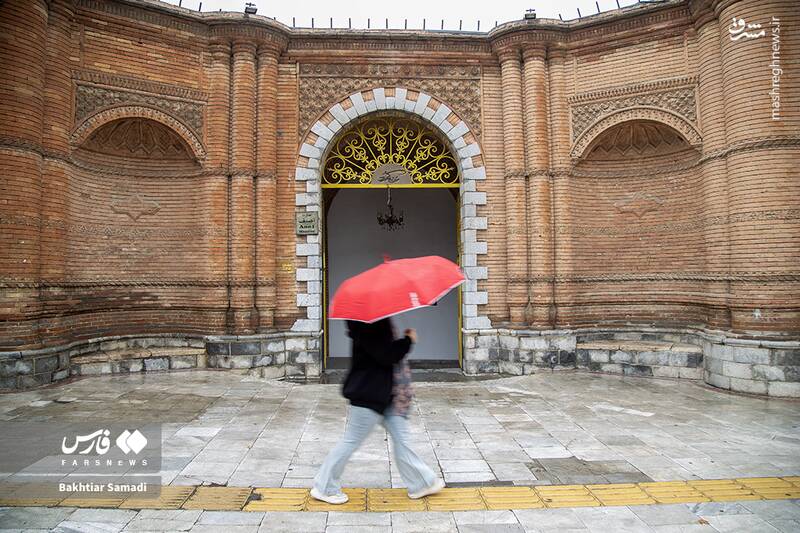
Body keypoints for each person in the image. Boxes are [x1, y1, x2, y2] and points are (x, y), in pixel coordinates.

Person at [310, 317, 445, 504]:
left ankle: (421, 483)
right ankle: (324, 487)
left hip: (387, 392)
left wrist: (402, 340)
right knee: (351, 441)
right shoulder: (370, 323)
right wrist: (408, 341)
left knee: (402, 438)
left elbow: (383, 351)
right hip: (370, 393)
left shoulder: (372, 321)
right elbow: (385, 355)